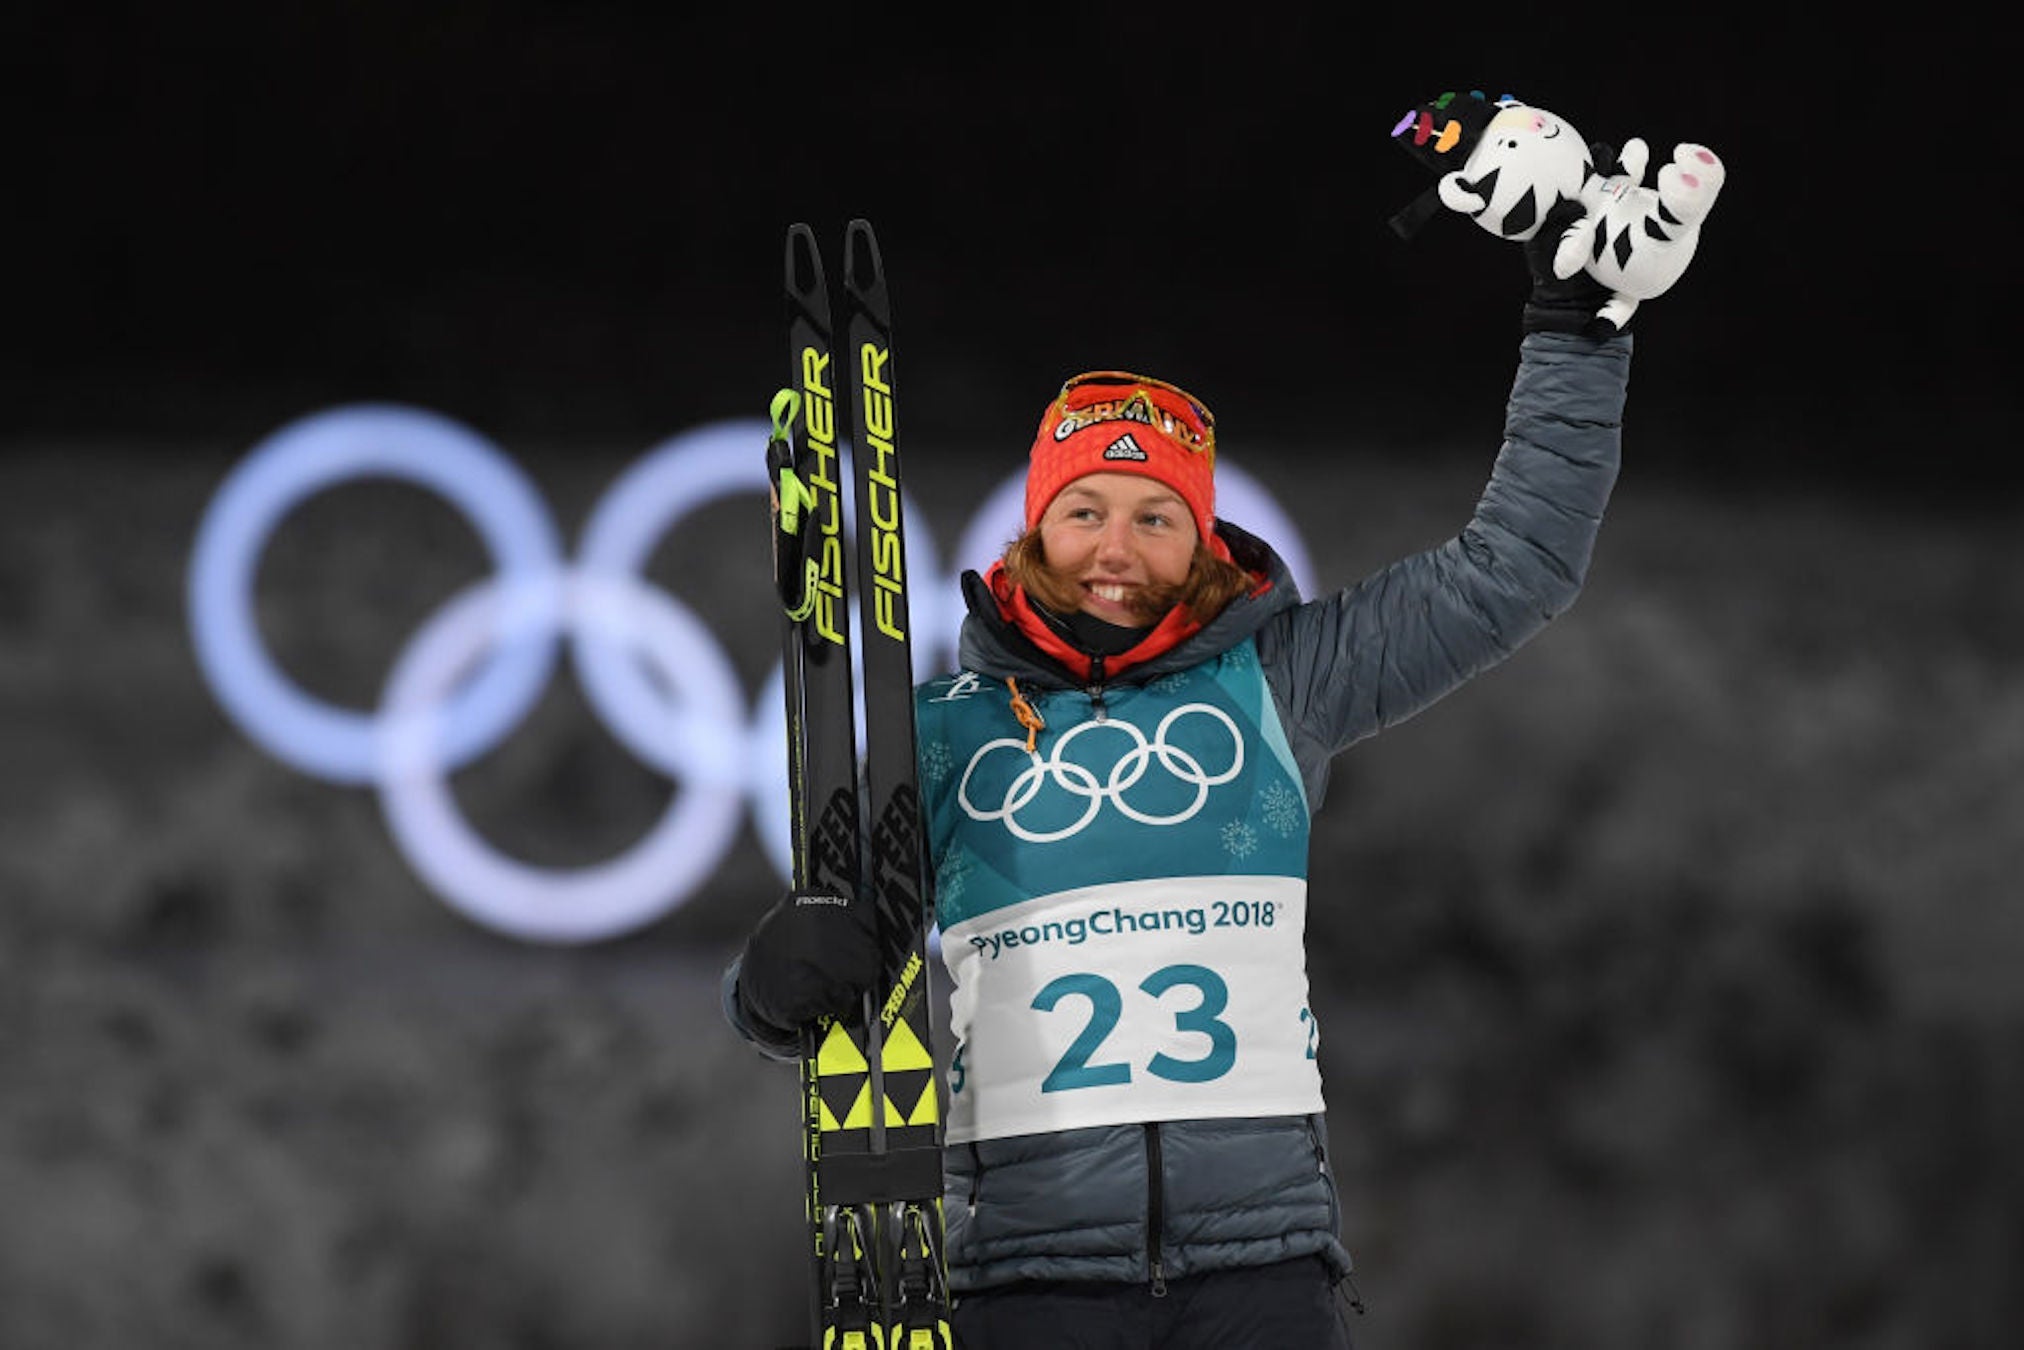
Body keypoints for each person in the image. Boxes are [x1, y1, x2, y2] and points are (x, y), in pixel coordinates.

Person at [724, 156, 1645, 1346]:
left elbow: (1514, 566)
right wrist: (773, 980)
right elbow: (817, 1005)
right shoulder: (939, 733)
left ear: (1202, 542)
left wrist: (1573, 331)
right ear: (1032, 534)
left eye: (1155, 516)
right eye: (1084, 511)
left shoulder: (1282, 682)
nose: (1117, 545)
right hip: (1024, 1280)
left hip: (1258, 1274)